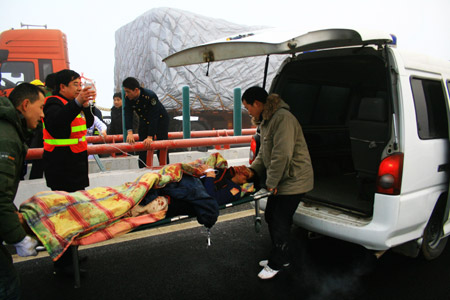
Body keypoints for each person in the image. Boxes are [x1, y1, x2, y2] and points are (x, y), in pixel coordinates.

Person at [242, 86, 314, 280]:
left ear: (257, 103)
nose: (248, 111)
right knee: (272, 217)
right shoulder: (267, 120)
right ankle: (281, 256)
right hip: (283, 179)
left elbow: (281, 155)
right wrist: (251, 171)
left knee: (280, 221)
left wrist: (271, 183)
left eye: (248, 107)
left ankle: (278, 262)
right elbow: (265, 155)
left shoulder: (282, 119)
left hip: (294, 179)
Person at [42, 69, 95, 275]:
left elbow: (89, 123)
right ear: (62, 87)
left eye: (80, 85)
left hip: (75, 168)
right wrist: (76, 103)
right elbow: (56, 124)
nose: (79, 88)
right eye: (75, 84)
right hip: (61, 170)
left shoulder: (74, 104)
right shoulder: (52, 103)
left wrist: (86, 104)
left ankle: (71, 254)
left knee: (75, 215)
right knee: (64, 218)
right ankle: (63, 264)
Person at [0, 83, 45, 299]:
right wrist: (19, 238)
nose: (42, 115)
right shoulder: (6, 137)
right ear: (26, 104)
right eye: (41, 107)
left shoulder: (9, 129)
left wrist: (13, 211)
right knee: (7, 285)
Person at [133, 165, 252, 228]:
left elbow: (210, 199)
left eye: (246, 173)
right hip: (183, 188)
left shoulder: (234, 190)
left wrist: (209, 176)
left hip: (185, 197)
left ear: (245, 181)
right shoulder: (224, 174)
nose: (242, 169)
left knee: (155, 198)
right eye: (243, 167)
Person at [122, 77, 169, 167]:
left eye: (128, 91)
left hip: (160, 120)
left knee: (161, 146)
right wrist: (129, 131)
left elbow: (154, 117)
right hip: (144, 120)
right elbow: (127, 114)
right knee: (142, 146)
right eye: (125, 92)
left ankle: (165, 168)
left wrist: (150, 136)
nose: (126, 94)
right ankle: (142, 169)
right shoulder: (128, 98)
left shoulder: (150, 96)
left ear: (136, 90)